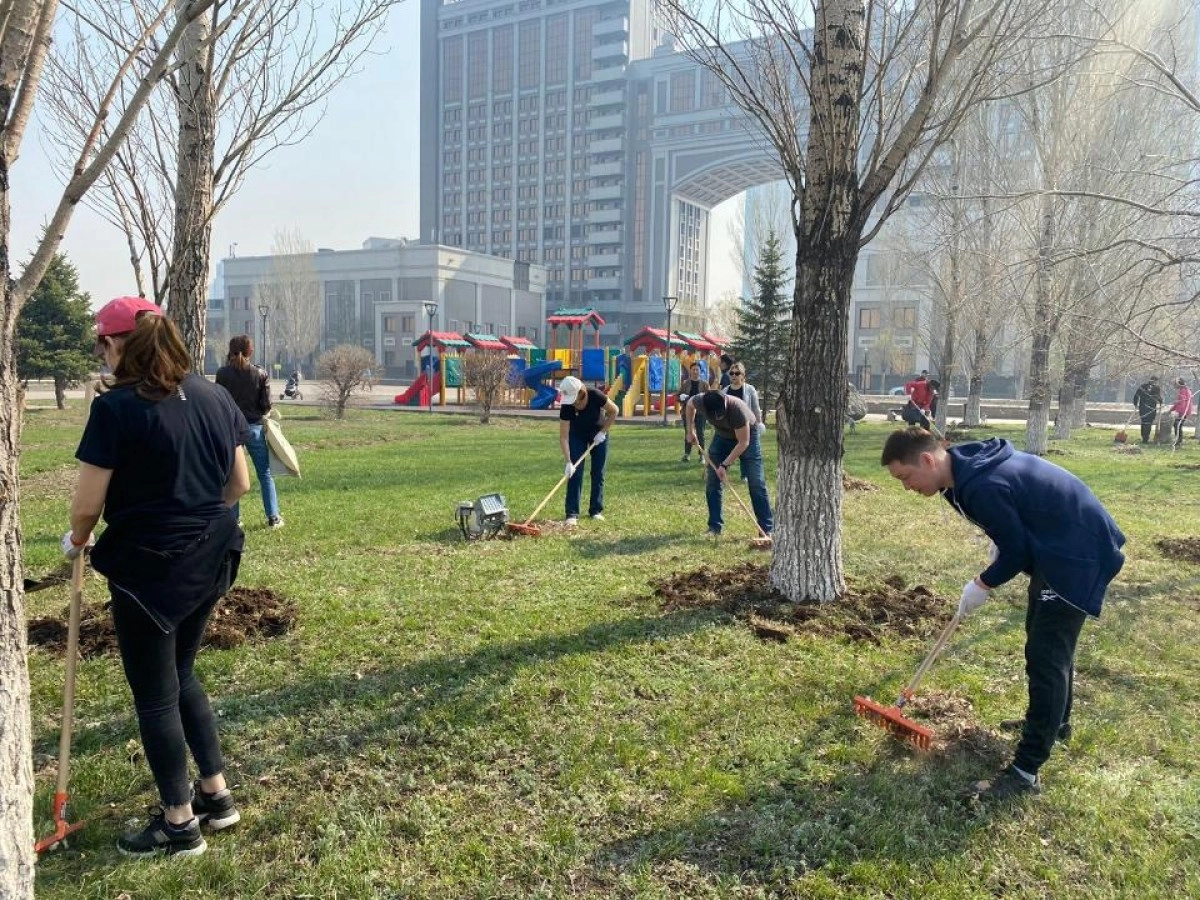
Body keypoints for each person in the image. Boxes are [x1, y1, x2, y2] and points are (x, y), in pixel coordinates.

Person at [64, 296, 250, 856]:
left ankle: (179, 823)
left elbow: (86, 505)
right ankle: (217, 797)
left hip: (150, 571)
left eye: (102, 342)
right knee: (182, 674)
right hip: (213, 558)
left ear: (120, 343)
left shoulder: (117, 409)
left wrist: (76, 540)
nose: (102, 352)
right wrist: (192, 518)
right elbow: (238, 483)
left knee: (155, 696)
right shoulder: (215, 395)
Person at [880, 427, 1125, 802]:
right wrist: (1000, 542)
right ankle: (1055, 724)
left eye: (905, 477)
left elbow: (1017, 552)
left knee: (1047, 657)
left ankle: (1025, 772)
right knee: (1045, 643)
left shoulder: (981, 485)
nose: (905, 486)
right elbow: (1012, 526)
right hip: (1056, 547)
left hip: (1076, 554)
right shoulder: (957, 478)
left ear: (928, 460)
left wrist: (983, 583)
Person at [216, 335, 284, 528]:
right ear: (250, 351)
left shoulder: (222, 374)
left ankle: (234, 519)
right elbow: (266, 404)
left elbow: (218, 401)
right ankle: (273, 517)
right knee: (265, 473)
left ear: (230, 351)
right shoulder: (260, 373)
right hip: (253, 427)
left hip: (231, 430)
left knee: (232, 476)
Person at [686, 391, 774, 539]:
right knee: (712, 481)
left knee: (756, 482)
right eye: (714, 415)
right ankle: (714, 527)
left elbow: (743, 442)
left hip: (747, 438)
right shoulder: (701, 401)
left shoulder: (737, 409)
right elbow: (689, 405)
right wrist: (690, 430)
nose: (717, 417)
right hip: (722, 436)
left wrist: (725, 465)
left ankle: (766, 529)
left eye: (720, 414)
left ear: (725, 403)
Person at [558, 375, 618, 526]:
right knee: (575, 472)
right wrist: (568, 461)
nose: (573, 403)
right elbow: (564, 437)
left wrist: (603, 432)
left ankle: (595, 510)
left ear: (581, 393)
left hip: (598, 434)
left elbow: (614, 411)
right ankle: (572, 513)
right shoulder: (566, 406)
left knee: (598, 472)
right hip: (577, 436)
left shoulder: (595, 395)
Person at [722, 362, 765, 436]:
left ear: (742, 375)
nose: (734, 375)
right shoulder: (725, 390)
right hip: (729, 428)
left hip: (746, 427)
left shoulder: (750, 389)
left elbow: (756, 409)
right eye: (732, 373)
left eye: (737, 373)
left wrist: (758, 424)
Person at [678, 362, 708, 462]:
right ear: (690, 371)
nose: (695, 371)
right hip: (687, 412)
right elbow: (678, 396)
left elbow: (709, 398)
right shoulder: (685, 383)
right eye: (693, 369)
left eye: (697, 369)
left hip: (701, 412)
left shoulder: (704, 384)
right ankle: (687, 454)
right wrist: (682, 397)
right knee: (688, 432)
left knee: (700, 433)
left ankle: (702, 455)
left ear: (700, 371)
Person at [1131, 376, 1162, 444]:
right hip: (1150, 408)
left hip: (1144, 408)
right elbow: (1157, 397)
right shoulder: (1156, 388)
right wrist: (1160, 401)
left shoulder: (1143, 386)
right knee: (1147, 423)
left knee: (1145, 422)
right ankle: (1145, 438)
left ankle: (1144, 438)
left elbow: (1136, 395)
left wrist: (1135, 403)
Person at [1169, 377, 1192, 448]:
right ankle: (1178, 440)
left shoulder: (1183, 391)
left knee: (1177, 425)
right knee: (1178, 425)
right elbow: (1179, 402)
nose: (1174, 386)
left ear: (1179, 384)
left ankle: (1178, 441)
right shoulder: (1186, 389)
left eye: (1175, 384)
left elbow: (1182, 403)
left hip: (1183, 411)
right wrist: (1171, 409)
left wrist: (1179, 412)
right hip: (1185, 411)